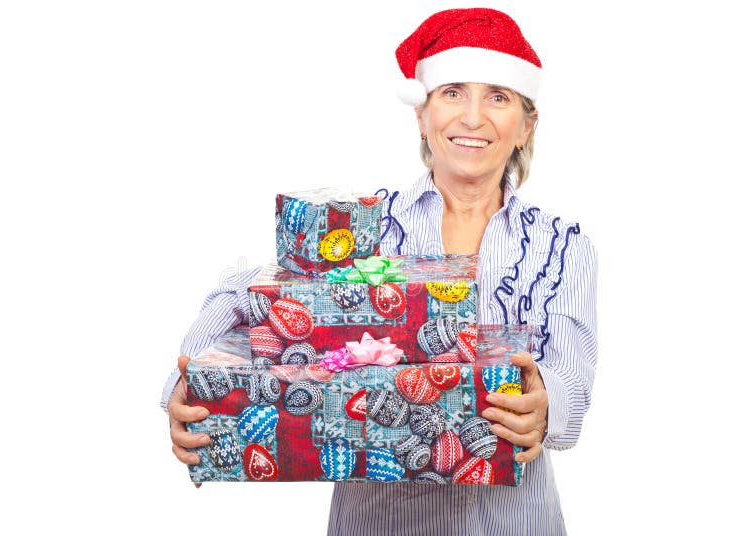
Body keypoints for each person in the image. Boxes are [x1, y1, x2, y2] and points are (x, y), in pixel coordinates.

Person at [162, 8, 597, 535]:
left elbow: (573, 376)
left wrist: (545, 404)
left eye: (498, 97)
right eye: (453, 92)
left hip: (515, 522)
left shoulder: (562, 245)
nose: (472, 117)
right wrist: (187, 384)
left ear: (527, 124)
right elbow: (243, 290)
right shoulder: (365, 228)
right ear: (422, 114)